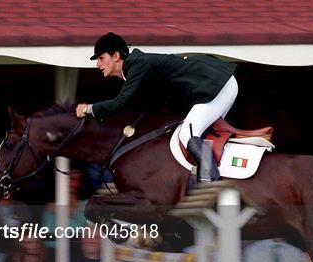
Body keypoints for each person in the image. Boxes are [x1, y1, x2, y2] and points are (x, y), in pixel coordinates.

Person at [76, 32, 238, 182]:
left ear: (116, 56)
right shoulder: (135, 68)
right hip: (215, 85)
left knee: (187, 134)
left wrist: (89, 108)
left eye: (101, 58)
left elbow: (121, 102)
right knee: (199, 134)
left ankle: (211, 184)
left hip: (216, 85)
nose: (98, 64)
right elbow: (150, 106)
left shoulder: (137, 65)